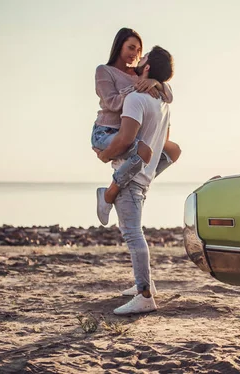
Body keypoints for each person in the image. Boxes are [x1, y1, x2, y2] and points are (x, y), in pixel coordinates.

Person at [95, 46, 175, 315]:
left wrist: (105, 155)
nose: (138, 59)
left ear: (148, 67)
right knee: (132, 229)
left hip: (133, 178)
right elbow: (162, 143)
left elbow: (126, 139)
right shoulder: (163, 103)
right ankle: (145, 283)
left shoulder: (136, 99)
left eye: (143, 57)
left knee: (132, 234)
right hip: (144, 176)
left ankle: (144, 294)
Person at [91, 28, 181, 225]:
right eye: (131, 47)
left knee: (173, 150)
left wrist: (155, 83)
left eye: (139, 50)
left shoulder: (138, 73)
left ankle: (133, 179)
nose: (135, 53)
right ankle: (109, 194)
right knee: (142, 151)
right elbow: (113, 103)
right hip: (105, 133)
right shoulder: (104, 71)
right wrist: (136, 87)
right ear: (119, 46)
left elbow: (170, 96)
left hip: (129, 134)